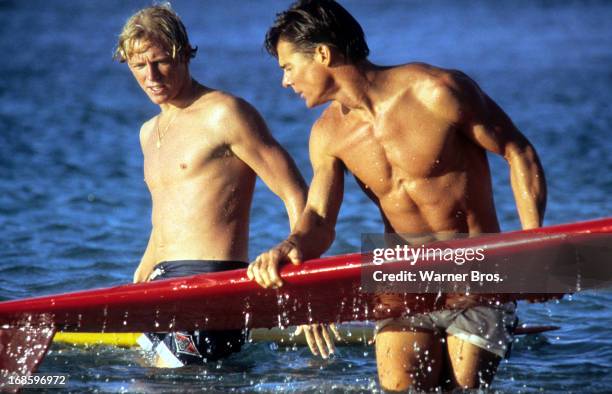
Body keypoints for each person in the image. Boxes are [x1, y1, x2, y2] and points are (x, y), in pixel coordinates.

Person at [247, 0, 546, 390]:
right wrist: (288, 246)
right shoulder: (327, 134)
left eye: (288, 67)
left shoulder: (437, 91)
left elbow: (517, 152)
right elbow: (318, 220)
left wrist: (532, 243)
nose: (285, 81)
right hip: (400, 269)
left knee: (465, 385)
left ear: (323, 53)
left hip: (475, 262)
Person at [113, 4, 307, 368]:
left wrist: (302, 268)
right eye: (139, 66)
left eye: (160, 62)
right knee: (140, 380)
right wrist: (138, 283)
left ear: (185, 54)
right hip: (158, 283)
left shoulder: (225, 113)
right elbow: (166, 219)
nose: (151, 75)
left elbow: (294, 191)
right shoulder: (148, 132)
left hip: (211, 284)